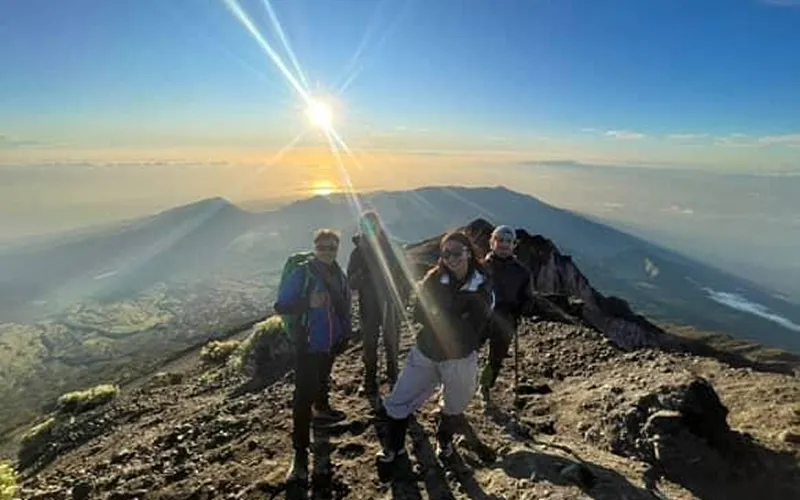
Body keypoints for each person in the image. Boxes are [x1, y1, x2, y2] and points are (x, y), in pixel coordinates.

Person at [376, 230, 495, 468]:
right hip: (427, 352)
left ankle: (444, 441)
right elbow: (419, 312)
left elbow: (478, 325)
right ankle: (394, 449)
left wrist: (440, 315)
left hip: (460, 357)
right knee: (400, 399)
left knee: (454, 404)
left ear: (469, 253)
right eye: (446, 253)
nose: (451, 258)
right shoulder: (434, 279)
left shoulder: (482, 285)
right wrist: (455, 316)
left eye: (457, 252)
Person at [273, 229, 352, 484]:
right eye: (323, 247)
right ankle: (299, 454)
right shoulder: (303, 273)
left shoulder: (337, 273)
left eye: (332, 247)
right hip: (307, 345)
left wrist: (344, 335)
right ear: (315, 248)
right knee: (302, 397)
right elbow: (281, 306)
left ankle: (323, 410)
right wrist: (308, 303)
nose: (327, 252)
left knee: (322, 380)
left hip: (329, 342)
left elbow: (344, 306)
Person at [346, 210, 409, 402]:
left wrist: (402, 300)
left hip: (390, 305)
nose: (371, 229)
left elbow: (405, 278)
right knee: (370, 346)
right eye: (366, 226)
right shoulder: (358, 252)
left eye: (373, 225)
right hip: (368, 307)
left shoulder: (391, 249)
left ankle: (393, 378)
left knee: (392, 345)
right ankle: (370, 381)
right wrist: (363, 276)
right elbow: (350, 282)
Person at [478, 225, 537, 405]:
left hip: (505, 320)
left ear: (514, 245)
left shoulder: (522, 272)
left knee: (495, 358)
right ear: (492, 242)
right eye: (500, 240)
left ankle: (485, 386)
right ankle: (459, 383)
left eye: (508, 241)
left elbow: (528, 298)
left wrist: (522, 308)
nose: (504, 245)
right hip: (479, 317)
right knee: (466, 352)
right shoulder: (480, 268)